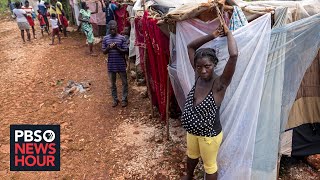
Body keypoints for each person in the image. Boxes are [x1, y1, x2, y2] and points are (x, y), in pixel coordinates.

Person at [181, 21, 238, 180]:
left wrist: (228, 33)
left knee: (209, 165)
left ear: (214, 65)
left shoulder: (220, 84)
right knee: (191, 155)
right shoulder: (198, 76)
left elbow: (233, 56)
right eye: (199, 67)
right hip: (192, 131)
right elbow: (191, 47)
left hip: (209, 136)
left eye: (207, 66)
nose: (203, 70)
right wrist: (212, 35)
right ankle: (189, 176)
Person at [102, 20, 129, 107]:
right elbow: (104, 52)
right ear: (109, 29)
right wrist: (109, 48)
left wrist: (117, 48)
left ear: (117, 28)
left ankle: (124, 99)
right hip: (111, 65)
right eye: (111, 29)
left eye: (114, 29)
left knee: (124, 83)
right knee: (112, 84)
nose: (112, 30)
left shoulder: (122, 38)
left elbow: (126, 51)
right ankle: (115, 99)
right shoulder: (106, 38)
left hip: (121, 64)